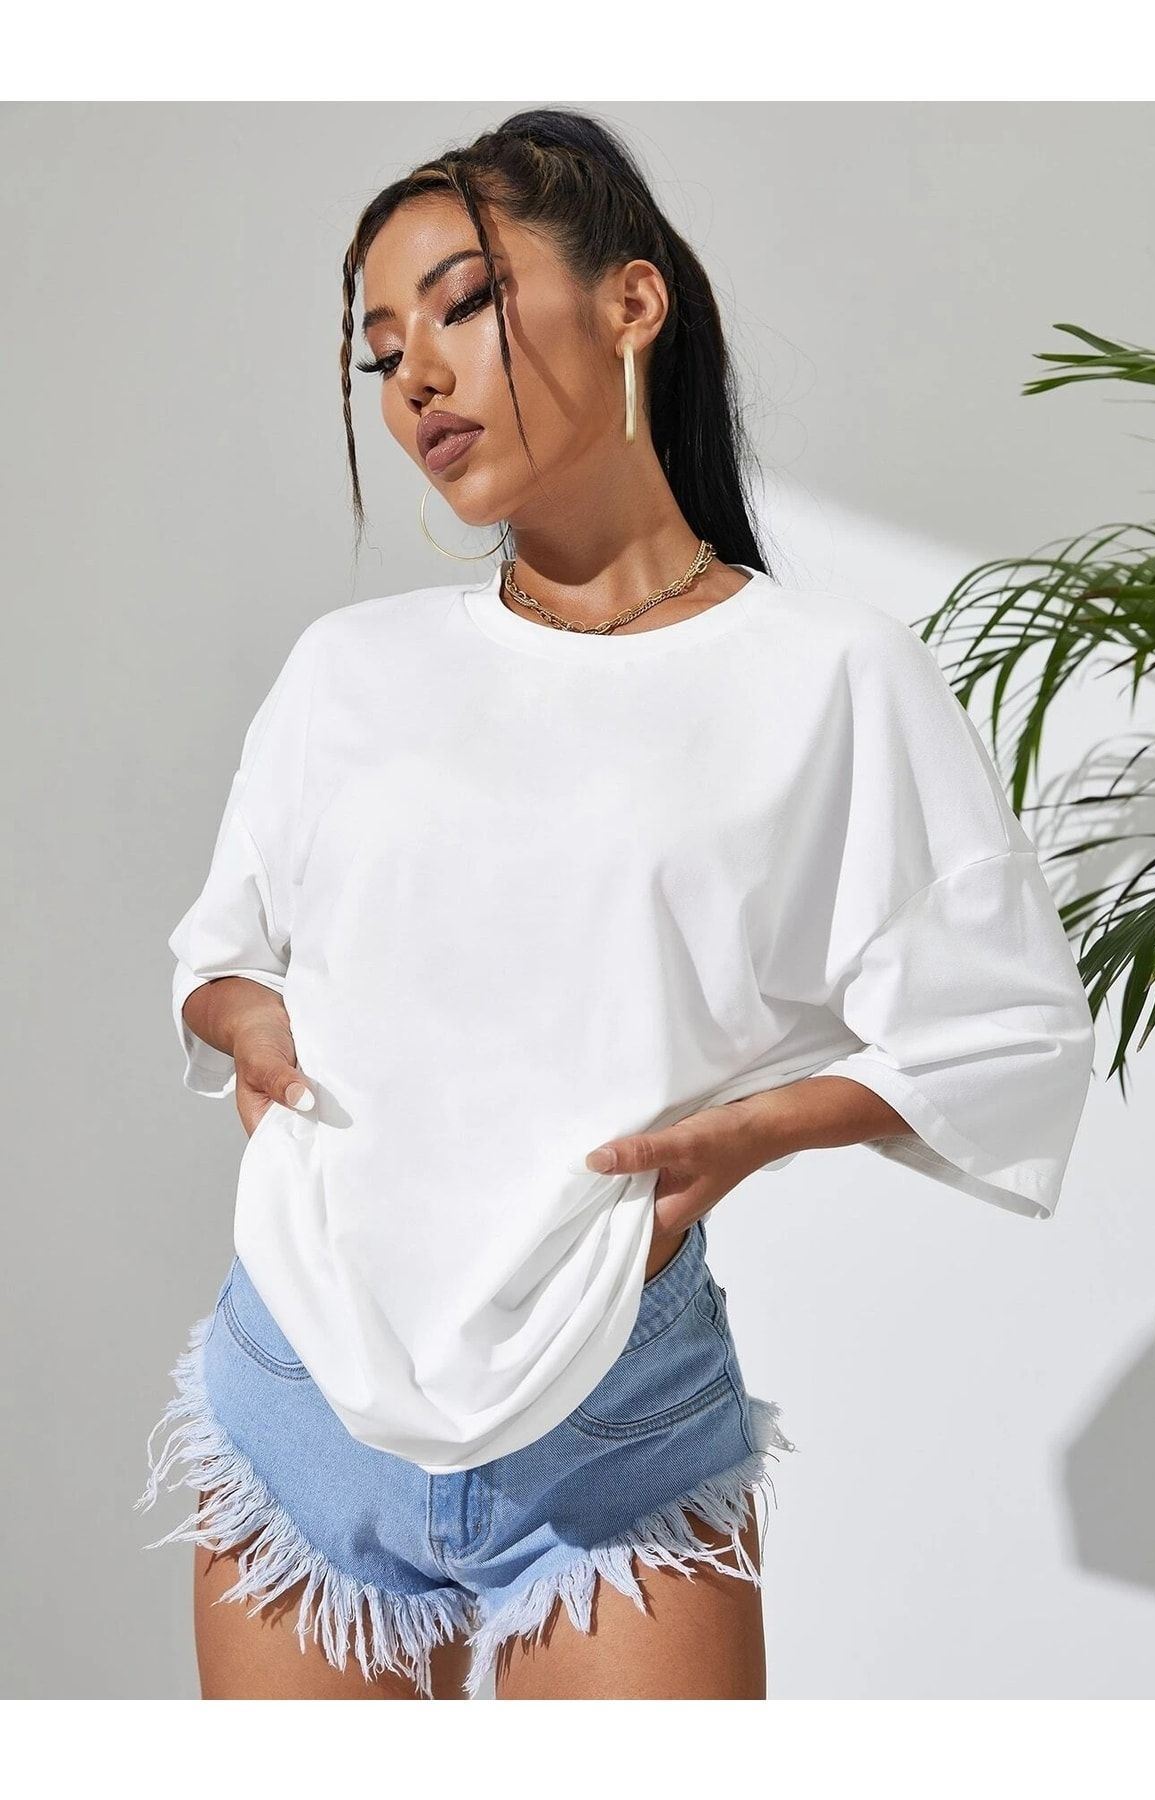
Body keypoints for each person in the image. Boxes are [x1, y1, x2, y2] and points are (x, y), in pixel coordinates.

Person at [134, 107, 1096, 1702]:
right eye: (382, 353)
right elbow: (222, 951)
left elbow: (1006, 1030)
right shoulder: (349, 672)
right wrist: (242, 1021)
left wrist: (754, 1133)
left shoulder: (827, 677)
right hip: (301, 1377)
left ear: (631, 303)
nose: (415, 381)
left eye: (463, 304)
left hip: (613, 1412)